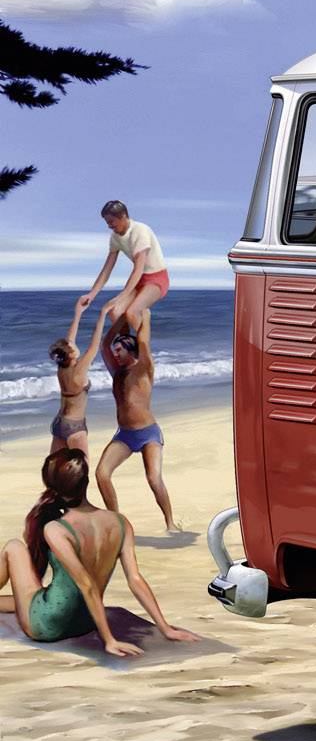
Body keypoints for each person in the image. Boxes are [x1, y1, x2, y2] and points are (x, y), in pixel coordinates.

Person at [1, 449, 197, 657]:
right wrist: (165, 628)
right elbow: (135, 579)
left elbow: (86, 585)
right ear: (85, 483)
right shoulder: (120, 523)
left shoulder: (56, 529)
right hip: (85, 622)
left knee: (14, 547)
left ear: (54, 489)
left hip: (48, 624)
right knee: (28, 596)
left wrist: (109, 640)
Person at [97, 311, 177, 531]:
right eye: (115, 352)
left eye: (119, 350)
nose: (115, 355)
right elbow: (104, 346)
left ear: (130, 351)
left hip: (148, 433)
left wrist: (146, 318)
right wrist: (121, 319)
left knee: (154, 479)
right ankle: (117, 521)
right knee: (102, 474)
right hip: (124, 434)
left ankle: (170, 523)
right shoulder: (117, 372)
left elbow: (143, 341)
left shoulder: (143, 369)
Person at [78, 199, 169, 331]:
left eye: (111, 222)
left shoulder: (140, 231)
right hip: (140, 280)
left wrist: (121, 296)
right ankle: (127, 347)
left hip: (157, 279)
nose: (109, 226)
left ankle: (145, 351)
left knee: (132, 312)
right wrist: (91, 294)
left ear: (123, 216)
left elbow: (138, 268)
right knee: (114, 312)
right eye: (107, 223)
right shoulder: (115, 237)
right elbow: (107, 269)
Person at [48, 304, 110, 455]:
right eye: (71, 346)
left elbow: (70, 338)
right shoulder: (78, 371)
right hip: (74, 426)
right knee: (82, 473)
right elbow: (94, 346)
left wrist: (78, 312)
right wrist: (103, 314)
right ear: (70, 354)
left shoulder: (61, 368)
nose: (73, 343)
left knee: (55, 472)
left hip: (59, 423)